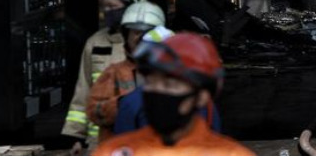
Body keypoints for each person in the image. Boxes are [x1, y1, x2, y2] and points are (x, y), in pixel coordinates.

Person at [94, 33, 255, 156]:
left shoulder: (230, 154)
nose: (157, 91)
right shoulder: (113, 151)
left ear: (201, 97)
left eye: (170, 84)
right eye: (151, 82)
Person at [62, 0, 147, 153]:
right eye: (105, 7)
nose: (107, 11)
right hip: (101, 143)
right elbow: (83, 90)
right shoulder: (95, 43)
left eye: (113, 7)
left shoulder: (153, 44)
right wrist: (75, 136)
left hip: (143, 141)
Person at [87, 4, 168, 142]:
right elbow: (94, 111)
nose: (140, 38)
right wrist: (121, 104)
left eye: (146, 32)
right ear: (126, 35)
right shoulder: (114, 72)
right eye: (135, 32)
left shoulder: (170, 72)